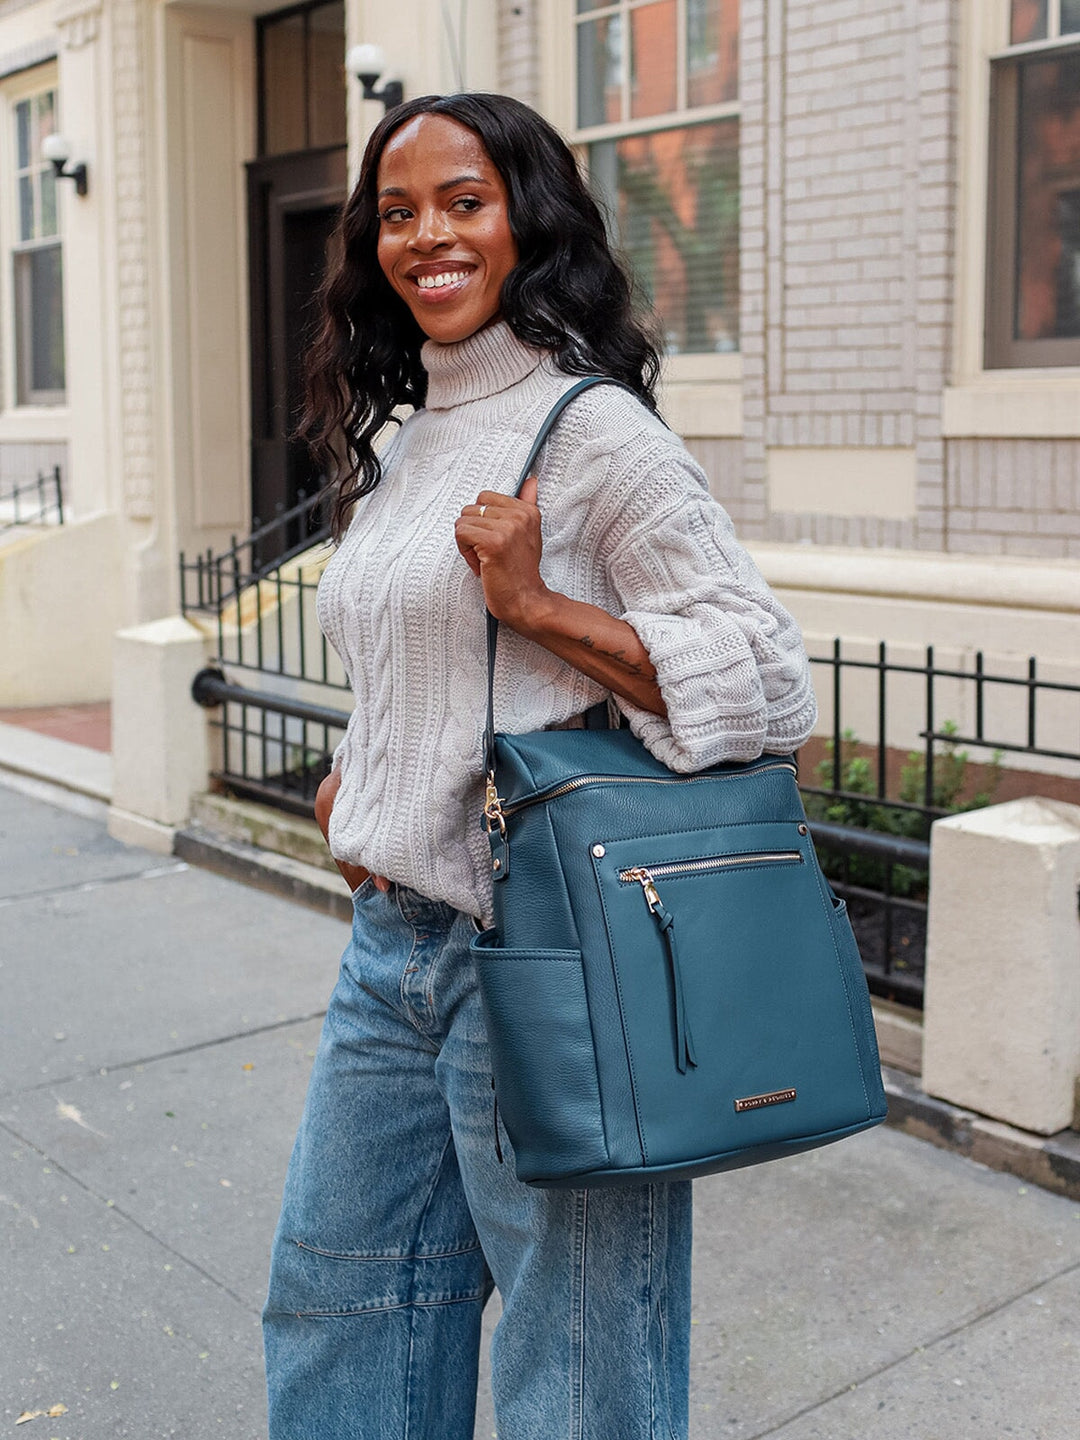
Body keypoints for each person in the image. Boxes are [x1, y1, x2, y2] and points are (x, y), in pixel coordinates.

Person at [262, 91, 818, 1440]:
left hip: (552, 958)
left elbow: (772, 676)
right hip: (390, 953)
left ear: (527, 220)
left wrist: (544, 608)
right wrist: (368, 774)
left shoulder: (598, 436)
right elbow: (409, 653)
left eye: (464, 201)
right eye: (397, 213)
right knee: (340, 1313)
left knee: (580, 1367)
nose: (427, 236)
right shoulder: (399, 443)